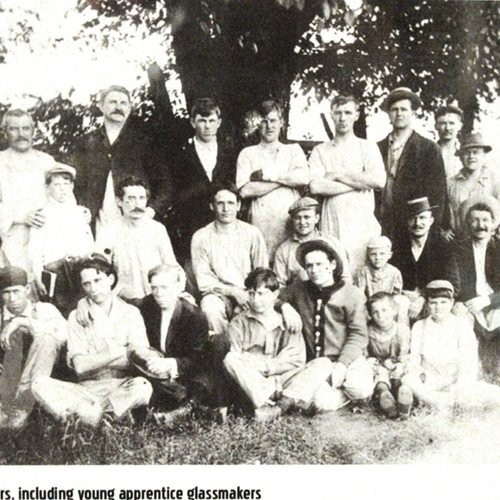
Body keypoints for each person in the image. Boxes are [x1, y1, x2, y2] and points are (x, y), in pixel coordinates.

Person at [31, 255, 152, 427]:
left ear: (110, 279)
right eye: (86, 283)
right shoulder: (76, 316)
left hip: (121, 386)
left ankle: (91, 418)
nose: (93, 288)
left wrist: (96, 360)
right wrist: (120, 352)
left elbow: (136, 361)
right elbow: (80, 367)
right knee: (39, 383)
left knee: (143, 386)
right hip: (86, 390)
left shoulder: (131, 313)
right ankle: (106, 418)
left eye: (97, 280)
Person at [224, 268, 331, 422]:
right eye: (251, 293)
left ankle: (279, 407)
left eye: (261, 294)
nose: (255, 300)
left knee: (324, 363)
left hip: (285, 380)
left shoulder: (289, 321)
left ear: (274, 294)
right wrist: (274, 364)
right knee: (230, 359)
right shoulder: (238, 323)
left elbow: (296, 361)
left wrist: (258, 362)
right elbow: (236, 363)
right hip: (256, 383)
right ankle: (274, 402)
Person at [279, 239, 373, 411]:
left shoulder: (352, 294)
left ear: (332, 264)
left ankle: (355, 389)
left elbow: (359, 334)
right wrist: (284, 306)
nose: (314, 270)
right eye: (309, 266)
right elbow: (274, 296)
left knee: (360, 388)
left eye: (319, 264)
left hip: (348, 359)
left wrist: (343, 364)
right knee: (322, 403)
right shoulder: (299, 289)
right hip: (319, 364)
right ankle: (339, 395)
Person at [69, 85, 169, 235]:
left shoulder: (145, 142)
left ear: (130, 108)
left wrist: (150, 212)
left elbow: (165, 185)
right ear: (101, 106)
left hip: (136, 225)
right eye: (113, 102)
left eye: (123, 103)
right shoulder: (86, 142)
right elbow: (75, 184)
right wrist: (81, 209)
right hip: (97, 225)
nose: (118, 107)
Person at [309, 94, 386, 272]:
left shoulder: (367, 147)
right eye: (338, 113)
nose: (342, 118)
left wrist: (337, 174)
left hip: (362, 221)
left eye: (347, 112)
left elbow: (378, 181)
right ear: (332, 115)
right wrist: (359, 182)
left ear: (356, 115)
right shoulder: (320, 150)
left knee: (362, 271)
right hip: (332, 220)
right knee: (334, 270)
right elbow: (316, 186)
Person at [131, 264, 215, 420]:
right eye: (154, 287)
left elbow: (198, 358)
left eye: (164, 287)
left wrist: (172, 363)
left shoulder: (194, 316)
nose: (159, 293)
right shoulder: (146, 306)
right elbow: (119, 304)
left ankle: (185, 409)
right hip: (154, 372)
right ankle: (185, 409)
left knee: (204, 376)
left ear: (178, 287)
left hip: (182, 372)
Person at [403, 280, 500, 414]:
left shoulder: (461, 325)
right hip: (431, 381)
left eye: (444, 302)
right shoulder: (420, 326)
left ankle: (441, 403)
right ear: (427, 304)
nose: (438, 307)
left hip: (456, 381)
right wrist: (420, 374)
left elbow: (469, 361)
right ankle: (438, 402)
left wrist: (460, 387)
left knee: (496, 394)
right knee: (408, 380)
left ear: (452, 303)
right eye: (433, 303)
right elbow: (414, 359)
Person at [166, 98, 237, 265]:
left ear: (219, 122)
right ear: (192, 122)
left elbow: (233, 185)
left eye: (211, 121)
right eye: (202, 121)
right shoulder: (180, 155)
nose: (207, 126)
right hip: (192, 222)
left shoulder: (229, 153)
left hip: (224, 221)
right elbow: (176, 192)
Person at [191, 185, 268, 335]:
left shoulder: (252, 233)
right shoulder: (201, 237)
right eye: (220, 203)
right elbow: (205, 281)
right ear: (212, 206)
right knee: (210, 307)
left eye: (231, 203)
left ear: (238, 205)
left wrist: (250, 294)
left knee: (257, 309)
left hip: (249, 292)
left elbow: (262, 272)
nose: (226, 208)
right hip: (218, 294)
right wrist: (233, 292)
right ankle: (222, 349)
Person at [237, 100, 309, 259]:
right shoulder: (248, 153)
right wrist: (285, 179)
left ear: (281, 122)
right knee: (262, 265)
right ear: (257, 124)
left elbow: (303, 178)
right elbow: (245, 190)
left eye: (273, 120)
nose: (269, 126)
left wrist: (267, 175)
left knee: (291, 262)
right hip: (261, 220)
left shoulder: (293, 150)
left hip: (290, 220)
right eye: (264, 121)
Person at [96, 176, 183, 304]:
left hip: (157, 299)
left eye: (141, 198)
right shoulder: (109, 232)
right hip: (123, 302)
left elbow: (171, 266)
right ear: (119, 201)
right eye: (131, 199)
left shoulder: (157, 229)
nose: (137, 205)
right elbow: (99, 271)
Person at [378, 87, 447, 248]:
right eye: (394, 109)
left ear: (413, 113)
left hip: (414, 225)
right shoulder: (377, 148)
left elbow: (438, 194)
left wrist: (431, 229)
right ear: (388, 114)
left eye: (404, 109)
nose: (399, 114)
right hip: (383, 223)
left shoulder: (428, 149)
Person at [0, 266, 67, 429]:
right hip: (8, 379)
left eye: (16, 291)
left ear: (28, 289)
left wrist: (22, 322)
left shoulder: (44, 309)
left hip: (44, 376)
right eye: (6, 292)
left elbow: (62, 336)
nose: (12, 298)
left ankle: (23, 405)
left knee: (46, 339)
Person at [28, 163, 94, 315]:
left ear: (72, 186)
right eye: (57, 185)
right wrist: (38, 275)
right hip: (57, 273)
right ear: (47, 188)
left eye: (66, 184)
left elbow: (88, 243)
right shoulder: (42, 214)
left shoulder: (80, 212)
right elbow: (35, 250)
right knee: (61, 312)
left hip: (80, 271)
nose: (62, 188)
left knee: (85, 311)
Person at [0, 109, 58, 270]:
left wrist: (78, 212)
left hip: (47, 236)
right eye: (14, 129)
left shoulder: (47, 161)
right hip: (14, 238)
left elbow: (63, 195)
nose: (21, 134)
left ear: (33, 131)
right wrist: (19, 216)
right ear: (5, 132)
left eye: (25, 128)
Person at [391, 197, 458, 320]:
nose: (417, 223)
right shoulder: (398, 247)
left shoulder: (442, 246)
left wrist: (423, 297)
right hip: (404, 301)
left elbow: (454, 284)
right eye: (412, 218)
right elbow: (390, 279)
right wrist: (404, 293)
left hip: (433, 302)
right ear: (407, 221)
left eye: (422, 218)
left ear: (431, 221)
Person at [453, 197, 500, 373]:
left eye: (485, 220)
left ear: (493, 223)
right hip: (469, 302)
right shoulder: (458, 249)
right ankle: (470, 371)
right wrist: (458, 302)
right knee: (460, 319)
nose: (480, 225)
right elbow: (454, 282)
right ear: (468, 223)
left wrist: (488, 300)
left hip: (495, 302)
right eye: (475, 220)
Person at [273, 196, 351, 287]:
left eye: (307, 217)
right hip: (299, 299)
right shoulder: (284, 250)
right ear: (292, 220)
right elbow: (279, 285)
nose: (302, 222)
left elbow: (345, 277)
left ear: (317, 218)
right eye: (297, 218)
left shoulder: (332, 242)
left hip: (331, 296)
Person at [445, 133, 499, 241]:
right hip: (459, 243)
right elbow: (442, 212)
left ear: (483, 156)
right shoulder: (450, 184)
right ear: (460, 157)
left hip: (488, 243)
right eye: (467, 153)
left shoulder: (495, 181)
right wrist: (444, 230)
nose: (471, 157)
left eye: (476, 153)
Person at [365, 292, 412, 419]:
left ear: (394, 311)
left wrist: (397, 364)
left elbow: (404, 355)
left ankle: (402, 398)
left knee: (401, 373)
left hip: (395, 364)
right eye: (375, 312)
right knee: (380, 374)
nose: (380, 315)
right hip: (378, 365)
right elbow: (365, 354)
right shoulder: (368, 331)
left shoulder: (402, 330)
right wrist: (374, 361)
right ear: (370, 315)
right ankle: (384, 395)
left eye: (385, 310)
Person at [435, 105, 463, 180]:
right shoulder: (428, 153)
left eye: (451, 123)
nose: (447, 128)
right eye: (443, 123)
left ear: (459, 126)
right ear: (436, 126)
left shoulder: (466, 152)